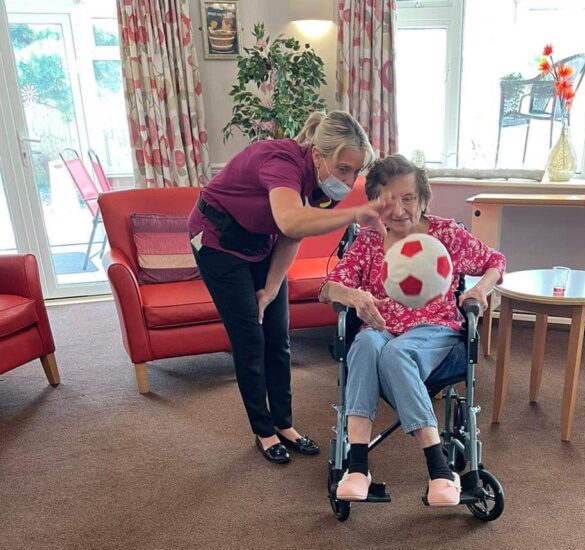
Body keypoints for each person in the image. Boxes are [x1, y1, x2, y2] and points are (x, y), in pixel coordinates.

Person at [189, 111, 395, 465]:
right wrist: (355, 214)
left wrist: (271, 289)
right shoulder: (280, 160)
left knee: (278, 335)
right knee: (250, 339)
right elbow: (289, 219)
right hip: (217, 241)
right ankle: (263, 430)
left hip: (260, 242)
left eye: (356, 171)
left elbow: (293, 234)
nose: (349, 181)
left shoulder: (325, 184)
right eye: (344, 169)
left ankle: (283, 424)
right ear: (317, 154)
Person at [319, 154, 506, 506]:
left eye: (408, 198)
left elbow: (495, 261)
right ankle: (357, 467)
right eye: (389, 201)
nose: (400, 210)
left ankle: (440, 470)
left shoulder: (445, 235)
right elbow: (327, 286)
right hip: (382, 328)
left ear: (422, 199)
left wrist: (480, 290)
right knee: (364, 345)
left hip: (435, 330)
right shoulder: (368, 242)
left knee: (395, 353)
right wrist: (351, 294)